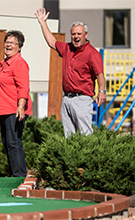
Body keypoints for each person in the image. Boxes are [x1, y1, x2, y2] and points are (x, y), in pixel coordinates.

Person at [35, 8, 106, 138]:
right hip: (67, 99)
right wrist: (42, 23)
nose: (76, 37)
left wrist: (102, 90)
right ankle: (72, 159)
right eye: (73, 34)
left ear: (86, 35)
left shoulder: (92, 53)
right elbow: (51, 42)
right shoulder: (67, 48)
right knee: (69, 137)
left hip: (82, 99)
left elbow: (100, 74)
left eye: (79, 34)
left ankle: (87, 158)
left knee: (85, 136)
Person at [0, 30, 32, 177]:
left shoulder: (19, 63)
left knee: (13, 143)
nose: (8, 45)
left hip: (15, 109)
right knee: (7, 143)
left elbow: (23, 87)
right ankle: (15, 174)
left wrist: (20, 106)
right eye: (7, 42)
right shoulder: (2, 64)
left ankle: (20, 176)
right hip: (4, 110)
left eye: (12, 43)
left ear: (19, 47)